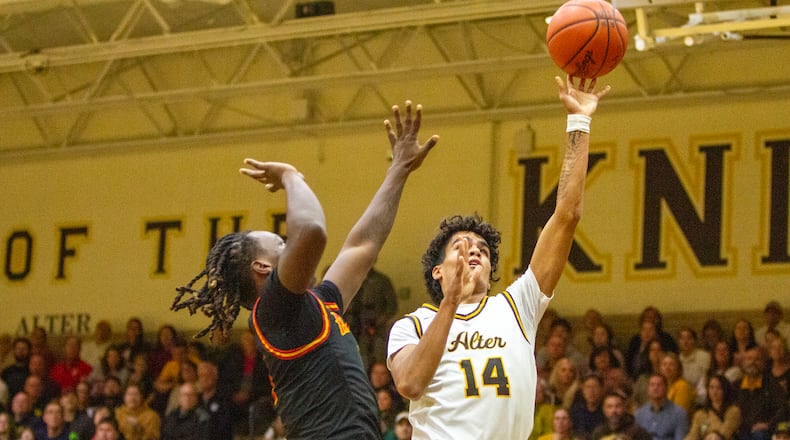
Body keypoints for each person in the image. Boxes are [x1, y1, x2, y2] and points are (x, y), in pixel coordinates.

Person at [172, 99, 437, 439]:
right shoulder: (271, 312)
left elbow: (363, 246)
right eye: (282, 243)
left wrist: (398, 170)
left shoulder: (314, 306)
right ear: (262, 267)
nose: (291, 244)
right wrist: (290, 176)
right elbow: (312, 230)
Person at [387, 75, 610, 440]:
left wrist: (580, 122)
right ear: (438, 271)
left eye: (483, 250)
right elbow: (410, 383)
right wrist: (451, 303)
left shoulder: (516, 307)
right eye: (461, 245)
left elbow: (567, 215)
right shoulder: (412, 324)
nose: (474, 250)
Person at [347, 266, 398, 369]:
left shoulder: (382, 281)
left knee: (377, 361)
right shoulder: (350, 280)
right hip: (352, 329)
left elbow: (392, 307)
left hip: (376, 330)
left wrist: (378, 322)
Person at [734, 347, 786, 440]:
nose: (752, 362)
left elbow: (782, 409)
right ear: (743, 362)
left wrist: (768, 424)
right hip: (739, 429)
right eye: (749, 359)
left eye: (757, 359)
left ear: (763, 363)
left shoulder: (772, 385)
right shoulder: (735, 386)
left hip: (762, 431)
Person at [684, 374, 741, 440]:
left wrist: (712, 436)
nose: (714, 391)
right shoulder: (700, 414)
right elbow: (693, 434)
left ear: (725, 390)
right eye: (711, 387)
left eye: (719, 388)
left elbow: (725, 432)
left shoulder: (733, 411)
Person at [634, 373, 689, 440]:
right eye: (652, 385)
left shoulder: (679, 413)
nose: (655, 388)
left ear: (666, 388)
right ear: (648, 389)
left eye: (659, 385)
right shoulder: (639, 414)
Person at [196, 361, 233, 440]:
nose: (204, 379)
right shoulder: (195, 400)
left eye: (207, 375)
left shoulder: (224, 399)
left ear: (215, 377)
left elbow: (224, 427)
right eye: (201, 376)